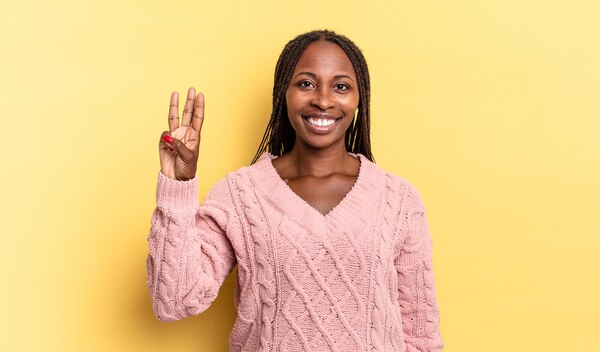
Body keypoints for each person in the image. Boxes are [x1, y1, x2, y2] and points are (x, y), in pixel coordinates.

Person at [146, 29, 444, 352]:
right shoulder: (240, 195)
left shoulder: (399, 202)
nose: (323, 100)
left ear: (360, 99)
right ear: (283, 93)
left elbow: (421, 338)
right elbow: (174, 300)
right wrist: (178, 185)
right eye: (306, 84)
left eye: (341, 86)